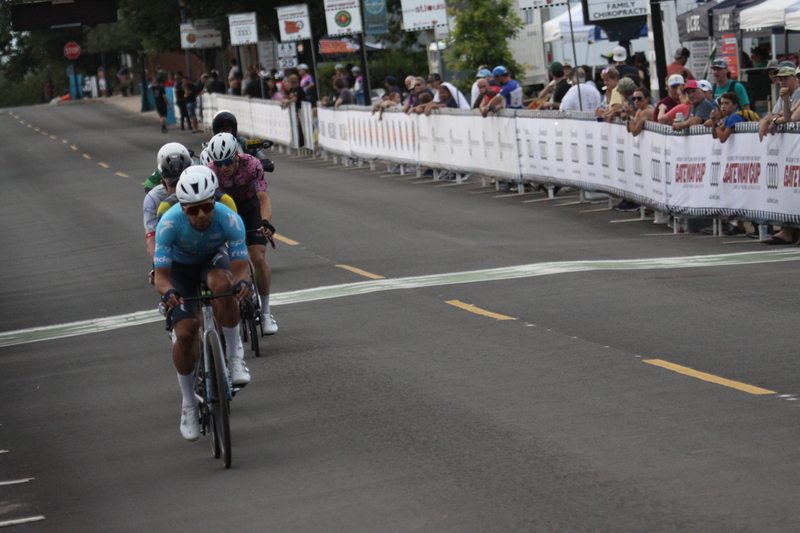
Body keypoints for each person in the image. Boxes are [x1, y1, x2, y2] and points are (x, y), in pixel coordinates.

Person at [154, 166, 252, 441]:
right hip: (180, 270)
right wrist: (168, 291)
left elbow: (241, 267)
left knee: (224, 287)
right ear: (183, 208)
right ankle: (188, 403)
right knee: (185, 333)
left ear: (214, 201)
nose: (200, 215)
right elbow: (160, 277)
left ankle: (234, 359)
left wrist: (242, 282)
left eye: (206, 207)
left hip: (212, 260)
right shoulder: (169, 224)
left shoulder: (229, 219)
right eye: (191, 210)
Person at [205, 133, 278, 334]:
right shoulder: (210, 172)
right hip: (224, 210)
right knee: (229, 260)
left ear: (236, 155)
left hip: (249, 207)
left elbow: (263, 199)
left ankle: (265, 312)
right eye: (219, 163)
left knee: (257, 257)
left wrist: (265, 222)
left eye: (228, 161)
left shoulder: (252, 164)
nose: (224, 167)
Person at [143, 143, 195, 262]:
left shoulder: (201, 185)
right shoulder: (154, 198)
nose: (179, 188)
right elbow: (153, 240)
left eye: (182, 181)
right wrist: (159, 265)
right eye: (173, 183)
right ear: (163, 183)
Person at [759, 62, 800, 141]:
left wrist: (774, 122)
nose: (782, 82)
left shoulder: (798, 92)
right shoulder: (785, 92)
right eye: (780, 79)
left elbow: (793, 117)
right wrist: (765, 121)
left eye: (786, 78)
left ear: (794, 78)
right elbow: (781, 114)